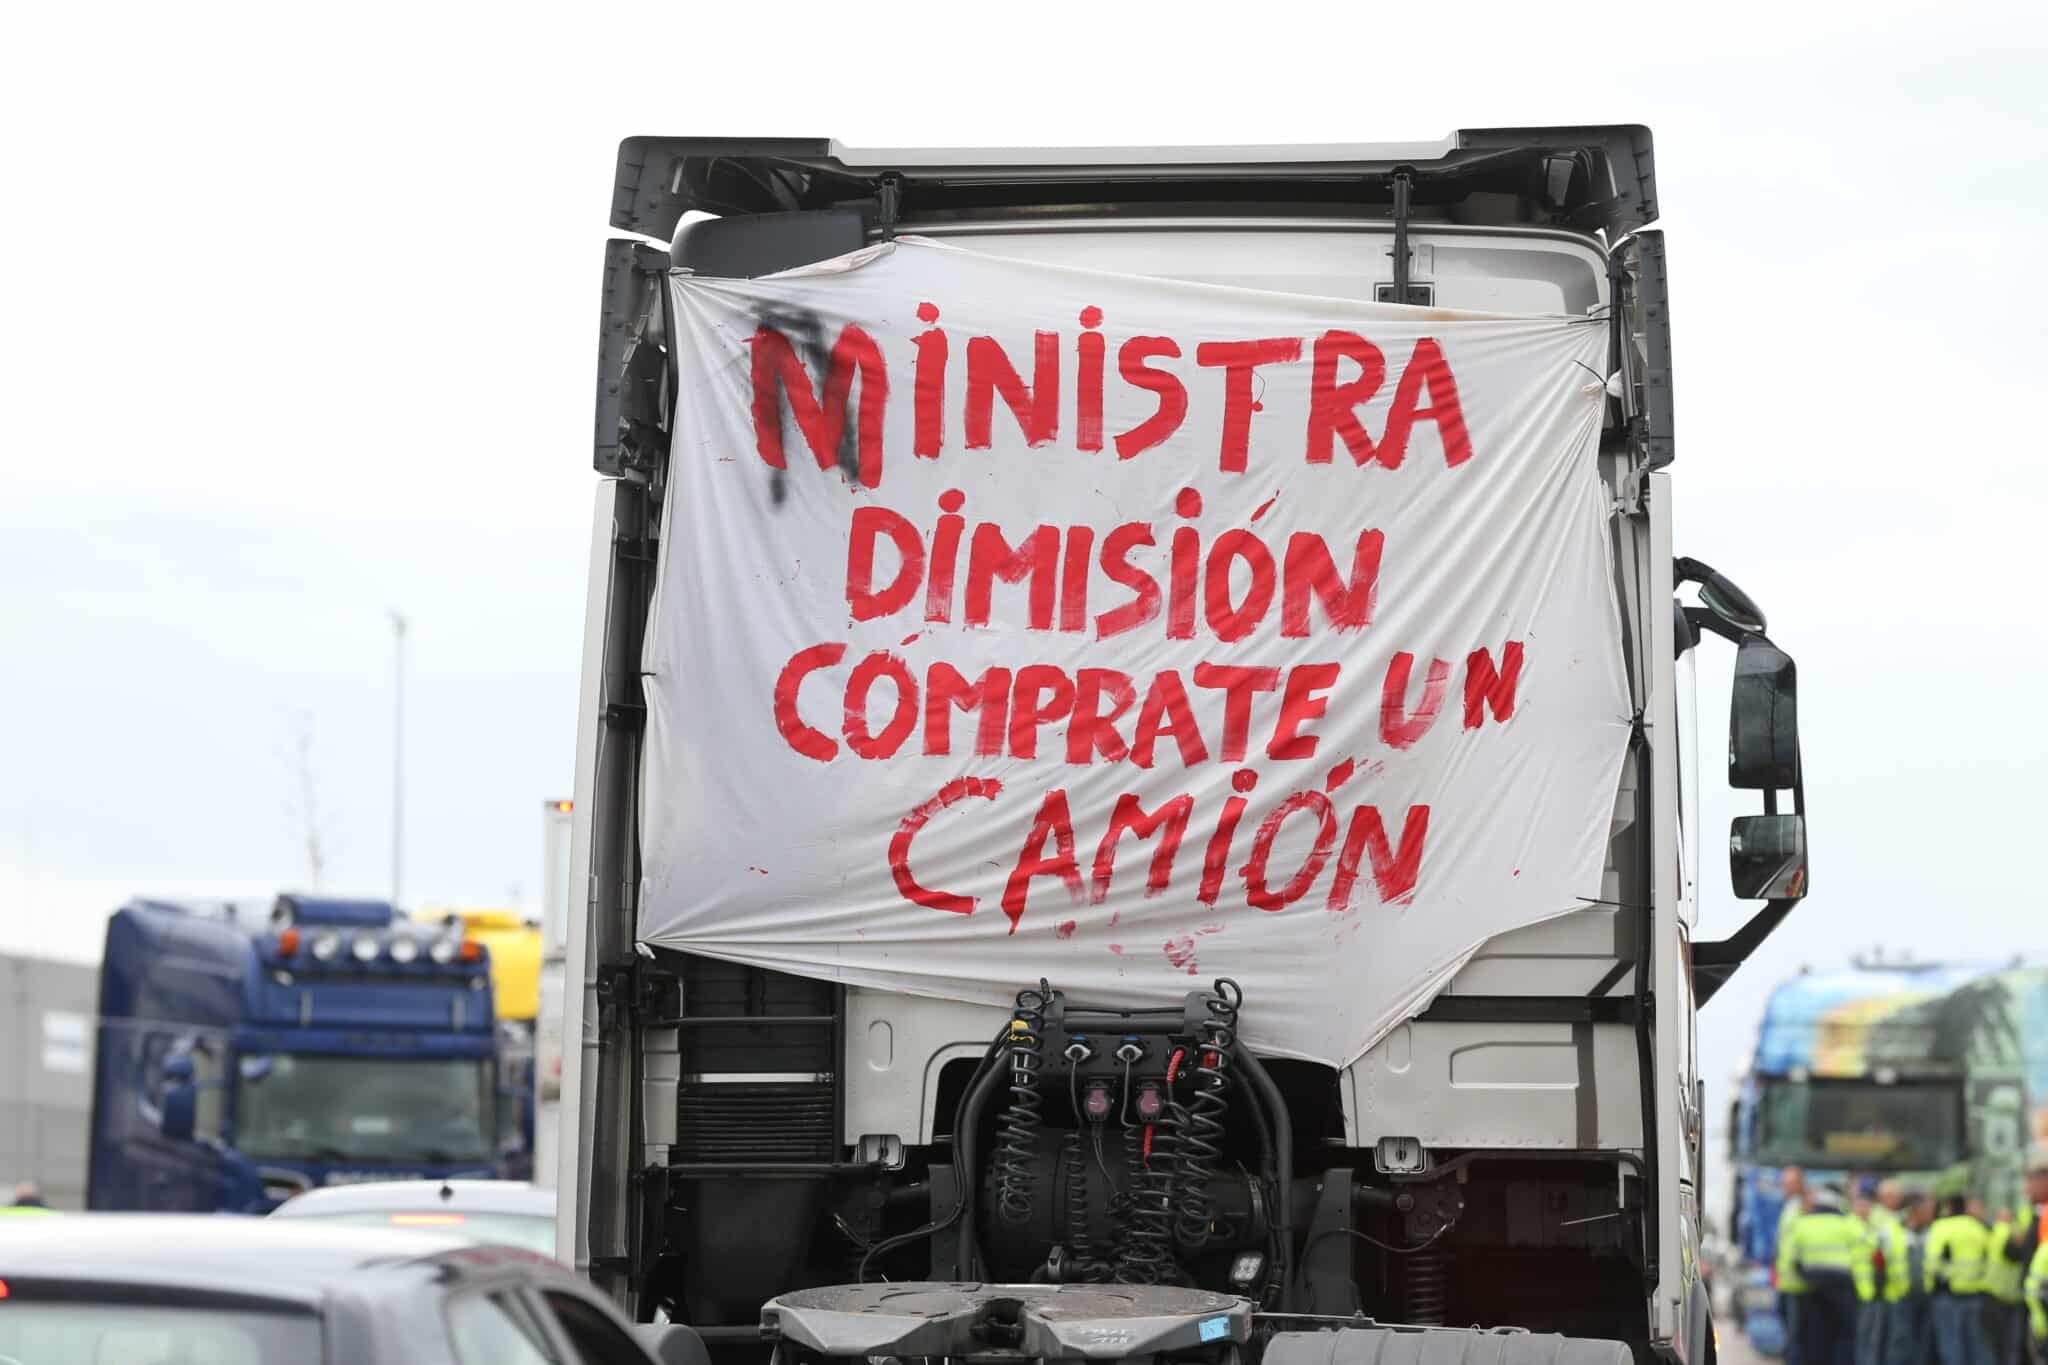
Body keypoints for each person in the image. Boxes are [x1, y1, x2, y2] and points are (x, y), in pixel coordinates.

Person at [1778, 1182, 1872, 1365]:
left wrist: (1793, 1285)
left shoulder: (1801, 1224)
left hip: (1810, 1290)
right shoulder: (1850, 1224)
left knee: (1815, 1342)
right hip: (1843, 1291)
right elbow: (1863, 1257)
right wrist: (1865, 1292)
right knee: (1844, 1340)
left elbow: (1788, 1259)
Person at [1928, 1193, 1996, 1365]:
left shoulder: (1941, 1227)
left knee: (1952, 1346)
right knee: (1977, 1346)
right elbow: (1990, 1259)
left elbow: (1932, 1264)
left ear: (1948, 1206)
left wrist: (1932, 1286)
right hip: (1976, 1295)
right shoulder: (1977, 1227)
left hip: (1947, 1296)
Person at [1779, 1166, 1812, 1365]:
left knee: (1797, 1338)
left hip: (1801, 1284)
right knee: (1791, 1336)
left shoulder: (1804, 1206)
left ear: (1800, 1184)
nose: (1786, 1187)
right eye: (1785, 1183)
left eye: (1790, 1183)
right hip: (1787, 1282)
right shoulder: (1789, 1206)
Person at [1987, 1210, 2028, 1364]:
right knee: (2012, 1344)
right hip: (2014, 1294)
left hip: (1996, 1294)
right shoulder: (2015, 1232)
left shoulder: (1992, 1232)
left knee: (1997, 1343)